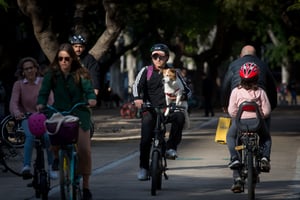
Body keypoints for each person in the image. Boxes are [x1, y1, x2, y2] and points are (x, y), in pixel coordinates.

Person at [36, 43, 97, 200]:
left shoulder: (81, 73)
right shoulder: (52, 74)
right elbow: (43, 92)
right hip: (59, 111)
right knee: (53, 135)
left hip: (80, 112)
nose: (63, 62)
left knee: (84, 150)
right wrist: (41, 102)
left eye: (67, 59)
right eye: (60, 58)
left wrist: (91, 98)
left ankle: (86, 186)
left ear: (72, 59)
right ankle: (56, 158)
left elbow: (89, 90)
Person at [221, 45, 277, 193]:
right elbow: (271, 90)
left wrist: (223, 105)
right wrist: (268, 111)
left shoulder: (234, 77)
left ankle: (236, 167)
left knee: (232, 137)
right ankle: (265, 158)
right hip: (258, 120)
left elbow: (226, 86)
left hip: (240, 121)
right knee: (266, 137)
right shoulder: (262, 72)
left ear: (241, 55)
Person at [132, 43, 191, 180]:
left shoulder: (174, 72)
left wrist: (182, 96)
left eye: (161, 57)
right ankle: (144, 168)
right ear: (152, 58)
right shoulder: (146, 71)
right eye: (155, 56)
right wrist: (137, 99)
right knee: (145, 139)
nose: (158, 59)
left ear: (167, 58)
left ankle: (171, 148)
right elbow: (136, 87)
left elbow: (187, 90)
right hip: (150, 109)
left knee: (179, 117)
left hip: (169, 109)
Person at [9, 57, 57, 180]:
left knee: (47, 137)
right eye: (26, 69)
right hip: (27, 117)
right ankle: (26, 166)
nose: (29, 71)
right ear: (22, 72)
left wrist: (46, 109)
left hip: (43, 116)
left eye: (31, 68)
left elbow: (51, 100)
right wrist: (17, 113)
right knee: (30, 136)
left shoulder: (43, 82)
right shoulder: (18, 84)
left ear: (36, 69)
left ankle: (51, 167)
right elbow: (13, 102)